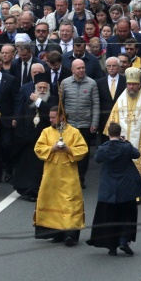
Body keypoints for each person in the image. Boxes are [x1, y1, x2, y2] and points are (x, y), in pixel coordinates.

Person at [86, 121, 141, 256]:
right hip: (126, 187)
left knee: (109, 217)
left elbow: (97, 159)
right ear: (119, 133)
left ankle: (111, 246)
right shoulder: (126, 147)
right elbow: (137, 154)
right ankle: (124, 240)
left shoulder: (103, 149)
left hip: (109, 188)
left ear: (108, 134)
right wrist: (127, 142)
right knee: (127, 215)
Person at [34, 104, 87, 246]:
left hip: (68, 174)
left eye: (53, 117)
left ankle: (70, 234)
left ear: (62, 117)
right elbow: (38, 148)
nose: (50, 120)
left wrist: (68, 149)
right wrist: (52, 148)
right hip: (51, 175)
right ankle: (55, 233)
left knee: (69, 203)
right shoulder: (46, 132)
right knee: (52, 201)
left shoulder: (74, 132)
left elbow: (83, 149)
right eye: (50, 117)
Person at [103, 67, 141, 189]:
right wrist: (112, 137)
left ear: (139, 85)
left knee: (139, 163)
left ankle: (138, 189)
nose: (131, 87)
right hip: (121, 138)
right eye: (129, 84)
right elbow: (113, 119)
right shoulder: (120, 101)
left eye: (134, 84)